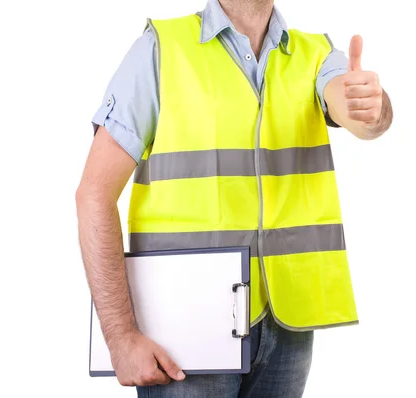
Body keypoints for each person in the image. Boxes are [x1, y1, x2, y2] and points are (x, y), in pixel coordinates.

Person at [76, 0, 393, 396]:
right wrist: (119, 336)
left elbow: (355, 108)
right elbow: (93, 195)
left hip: (287, 329)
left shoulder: (317, 55)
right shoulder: (161, 49)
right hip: (185, 336)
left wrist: (367, 110)